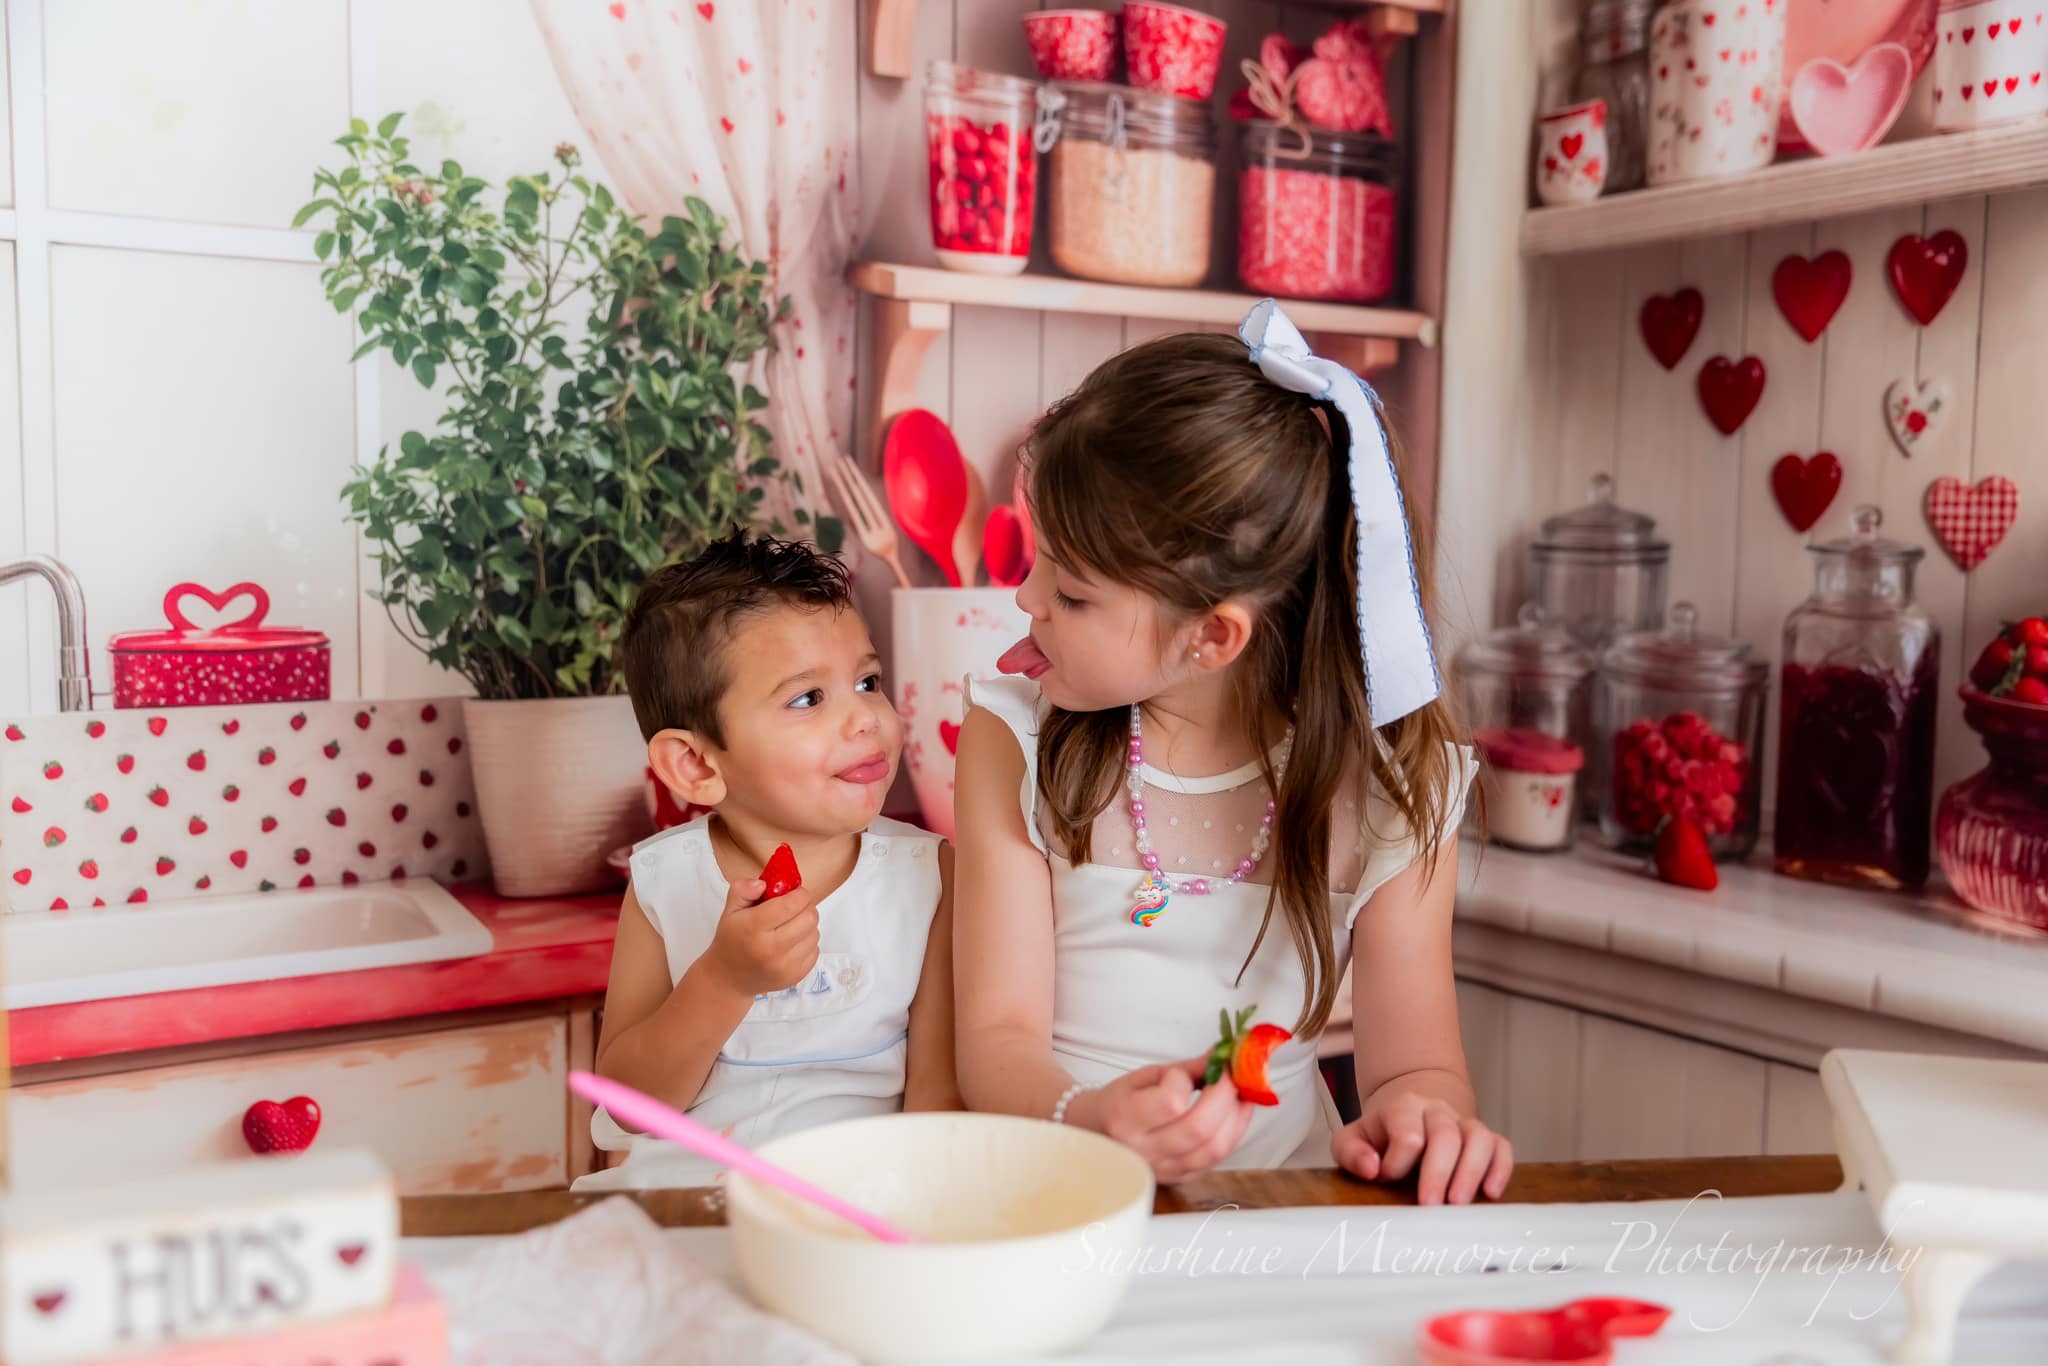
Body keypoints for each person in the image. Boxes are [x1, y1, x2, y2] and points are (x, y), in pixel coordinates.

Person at [952, 301, 1509, 1205]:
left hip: (1280, 1227)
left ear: (1212, 638)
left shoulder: (1393, 793)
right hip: (1054, 1195)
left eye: (1072, 590)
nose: (1026, 597)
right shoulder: (1015, 740)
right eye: (1037, 560)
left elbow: (1415, 1069)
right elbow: (994, 1042)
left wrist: (1427, 1118)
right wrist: (1091, 1118)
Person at [574, 530, 957, 1190]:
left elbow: (937, 1095)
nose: (866, 718)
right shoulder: (666, 880)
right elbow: (632, 1105)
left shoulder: (930, 875)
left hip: (863, 1205)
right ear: (695, 765)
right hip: (689, 1199)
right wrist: (723, 980)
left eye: (868, 681)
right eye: (808, 698)